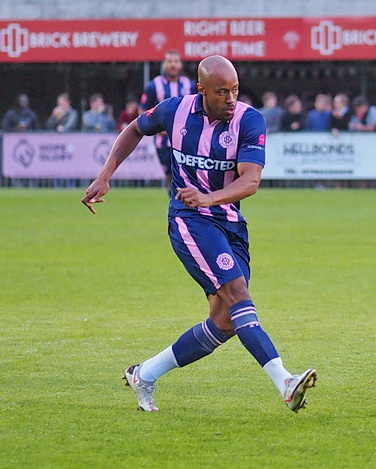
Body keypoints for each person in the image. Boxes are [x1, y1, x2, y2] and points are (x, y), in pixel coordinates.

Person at [81, 55, 316, 413]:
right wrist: (105, 173)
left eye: (235, 89)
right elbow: (133, 129)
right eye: (222, 92)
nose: (231, 98)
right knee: (238, 294)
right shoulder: (174, 111)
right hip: (189, 221)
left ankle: (144, 374)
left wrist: (210, 197)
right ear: (201, 90)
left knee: (225, 321)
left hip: (230, 223)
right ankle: (285, 381)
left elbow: (251, 181)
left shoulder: (249, 120)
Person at [140, 50, 197, 189]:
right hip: (163, 141)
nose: (173, 65)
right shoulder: (154, 85)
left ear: (181, 65)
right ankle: (174, 199)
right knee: (170, 175)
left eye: (176, 61)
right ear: (164, 64)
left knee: (188, 173)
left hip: (186, 137)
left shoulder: (189, 85)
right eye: (169, 61)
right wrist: (156, 128)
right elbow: (143, 110)